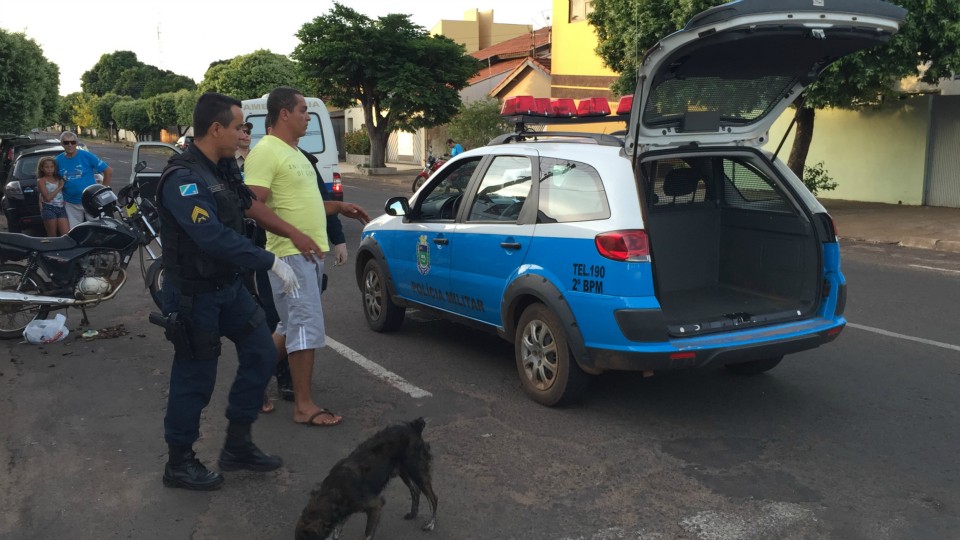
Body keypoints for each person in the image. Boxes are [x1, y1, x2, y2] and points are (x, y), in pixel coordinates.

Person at [153, 92, 300, 491]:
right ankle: (179, 463)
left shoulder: (222, 171)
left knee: (261, 352)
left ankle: (238, 444)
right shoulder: (183, 179)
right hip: (194, 296)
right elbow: (211, 236)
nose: (243, 135)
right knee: (195, 378)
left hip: (229, 288)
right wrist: (268, 261)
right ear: (215, 128)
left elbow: (249, 207)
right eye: (238, 127)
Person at [244, 86, 369, 428]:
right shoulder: (266, 151)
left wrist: (339, 207)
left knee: (288, 327)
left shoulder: (295, 152)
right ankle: (304, 406)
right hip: (290, 255)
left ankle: (250, 387)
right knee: (304, 328)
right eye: (302, 110)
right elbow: (251, 203)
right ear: (283, 113)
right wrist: (293, 234)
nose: (308, 116)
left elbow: (307, 203)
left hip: (305, 255)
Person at [56, 131, 113, 228]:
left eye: (73, 142)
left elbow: (108, 171)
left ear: (76, 143)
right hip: (70, 203)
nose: (70, 145)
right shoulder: (57, 160)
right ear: (62, 144)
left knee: (98, 228)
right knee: (75, 231)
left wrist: (102, 191)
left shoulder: (87, 156)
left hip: (90, 201)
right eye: (66, 142)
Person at [35, 156, 69, 236]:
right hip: (49, 208)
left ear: (55, 167)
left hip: (61, 208)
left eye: (52, 167)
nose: (49, 169)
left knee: (66, 234)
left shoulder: (58, 178)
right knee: (52, 235)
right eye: (47, 167)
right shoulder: (41, 181)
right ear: (42, 168)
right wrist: (59, 187)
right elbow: (47, 198)